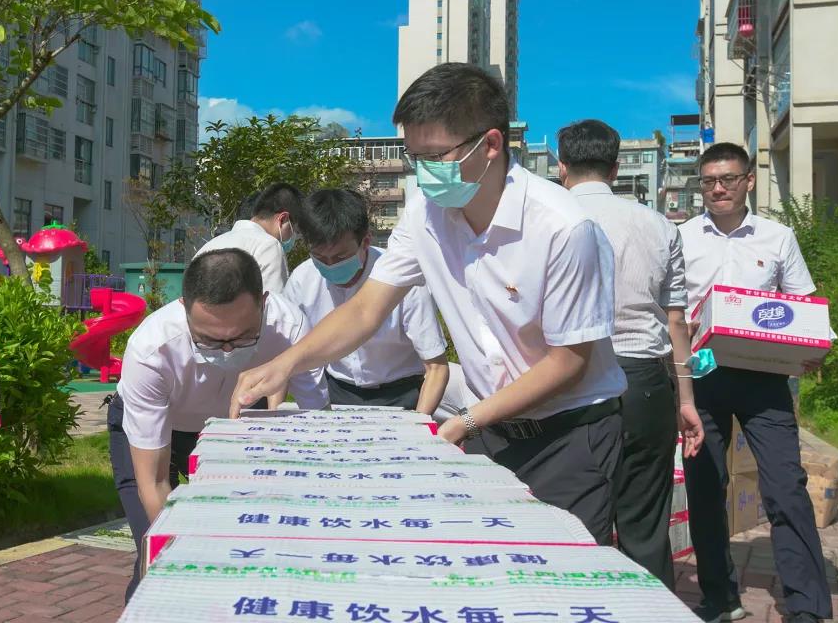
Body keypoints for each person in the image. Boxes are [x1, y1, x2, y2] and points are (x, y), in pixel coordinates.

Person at [232, 63, 627, 543]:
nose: (424, 173)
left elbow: (568, 362)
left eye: (436, 156)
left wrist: (467, 421)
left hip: (568, 435)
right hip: (491, 430)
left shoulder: (563, 228)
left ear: (491, 144)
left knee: (560, 567)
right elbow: (365, 309)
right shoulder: (426, 214)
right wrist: (285, 364)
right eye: (414, 157)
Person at [109, 248, 328, 601]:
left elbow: (320, 429)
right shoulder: (151, 350)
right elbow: (155, 481)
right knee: (156, 555)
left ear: (264, 303)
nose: (227, 351)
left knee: (239, 543)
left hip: (233, 427)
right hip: (157, 430)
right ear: (183, 307)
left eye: (242, 337)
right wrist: (178, 560)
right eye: (209, 339)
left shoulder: (290, 329)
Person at [680, 142, 831, 623]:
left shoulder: (777, 237)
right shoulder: (682, 237)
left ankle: (806, 604)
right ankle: (719, 596)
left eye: (727, 179)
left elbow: (802, 301)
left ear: (748, 181)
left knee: (786, 486)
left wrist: (813, 347)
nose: (718, 188)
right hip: (703, 370)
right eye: (708, 181)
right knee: (706, 486)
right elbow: (670, 307)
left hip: (763, 374)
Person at [557, 119, 704, 589]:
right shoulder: (658, 225)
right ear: (616, 169)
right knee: (644, 523)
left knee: (574, 522)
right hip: (644, 382)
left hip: (568, 383)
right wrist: (686, 401)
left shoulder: (546, 217)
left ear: (561, 166)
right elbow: (676, 321)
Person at [284, 188, 449, 413]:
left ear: (366, 241)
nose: (331, 265)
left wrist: (418, 423)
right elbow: (289, 356)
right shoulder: (302, 280)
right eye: (320, 257)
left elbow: (437, 368)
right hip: (337, 393)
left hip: (401, 395)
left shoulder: (404, 279)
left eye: (341, 257)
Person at [195, 182, 303, 295]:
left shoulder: (210, 245)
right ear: (282, 219)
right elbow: (272, 303)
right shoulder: (269, 245)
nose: (294, 237)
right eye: (295, 230)